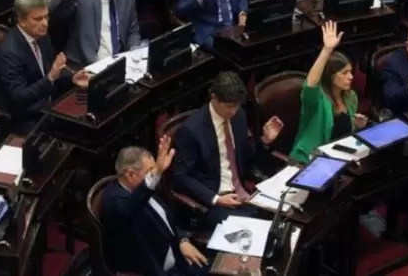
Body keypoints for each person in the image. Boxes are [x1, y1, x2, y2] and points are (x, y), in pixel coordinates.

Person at [172, 71, 284, 228]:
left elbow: (245, 158)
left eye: (237, 106)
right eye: (229, 106)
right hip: (215, 202)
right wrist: (215, 198)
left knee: (281, 220)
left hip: (243, 192)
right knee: (256, 230)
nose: (234, 111)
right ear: (214, 97)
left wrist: (264, 140)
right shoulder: (191, 130)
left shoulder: (239, 116)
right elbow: (181, 177)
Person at [101, 139, 210, 276]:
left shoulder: (144, 189)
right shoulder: (114, 200)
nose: (154, 176)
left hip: (179, 256)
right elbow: (130, 208)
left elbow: (166, 219)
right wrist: (156, 172)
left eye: (153, 170)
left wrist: (182, 240)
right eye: (149, 171)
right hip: (156, 269)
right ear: (130, 174)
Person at [0, 0, 90, 133]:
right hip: (26, 118)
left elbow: (52, 69)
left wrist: (72, 78)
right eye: (38, 19)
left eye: (46, 17)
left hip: (48, 104)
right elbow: (19, 98)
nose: (45, 23)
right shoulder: (10, 52)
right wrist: (50, 78)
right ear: (21, 20)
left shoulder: (42, 36)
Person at [290, 22, 368, 163]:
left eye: (350, 72)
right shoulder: (316, 100)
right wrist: (327, 50)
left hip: (339, 157)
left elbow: (345, 133)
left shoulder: (351, 97)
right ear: (331, 76)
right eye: (344, 73)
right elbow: (310, 84)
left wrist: (357, 126)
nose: (351, 76)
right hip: (310, 161)